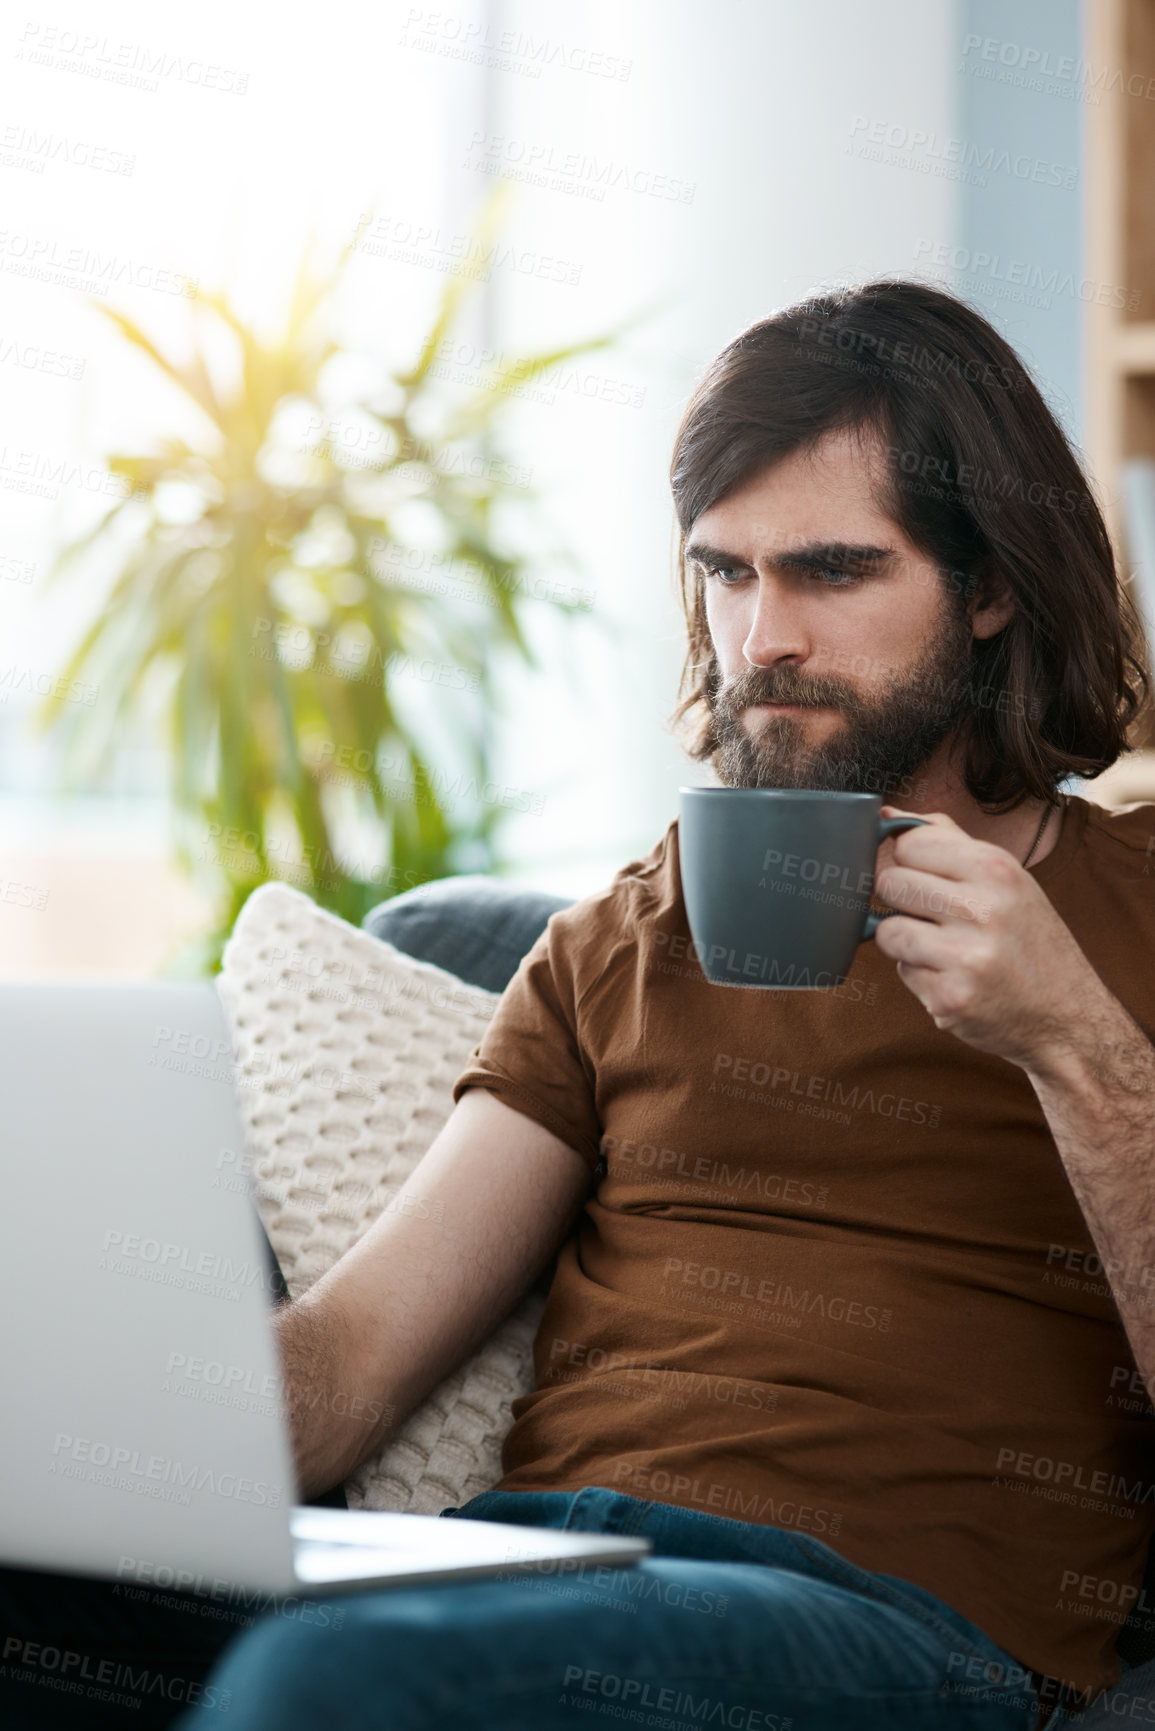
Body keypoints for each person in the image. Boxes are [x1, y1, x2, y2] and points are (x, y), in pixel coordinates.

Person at [10, 280, 1155, 1731]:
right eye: (726, 574)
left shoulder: (1136, 913)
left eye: (830, 571)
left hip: (885, 1627)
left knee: (348, 1676)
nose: (764, 640)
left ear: (990, 589)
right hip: (528, 1567)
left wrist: (1071, 1039)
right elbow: (351, 1367)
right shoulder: (632, 932)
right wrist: (82, 1371)